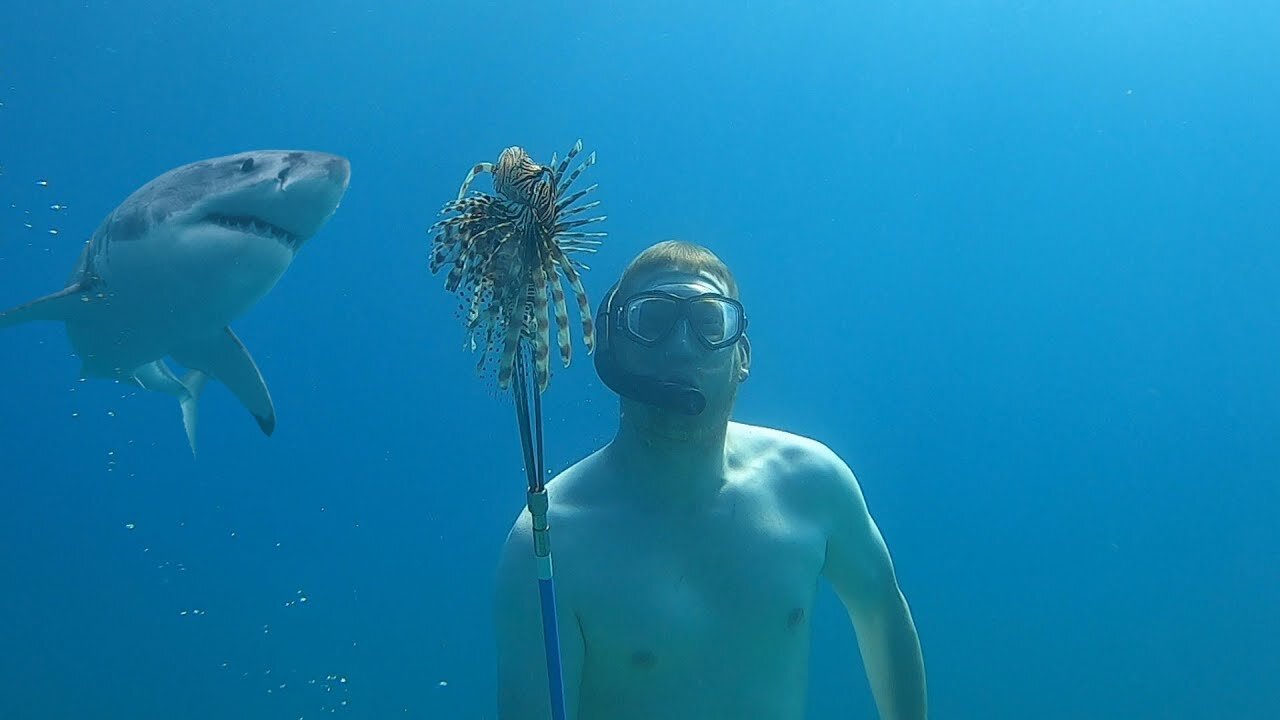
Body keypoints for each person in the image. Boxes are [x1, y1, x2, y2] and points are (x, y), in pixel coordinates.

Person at [494, 240, 928, 720]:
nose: (681, 347)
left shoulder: (812, 483)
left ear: (741, 357)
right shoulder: (553, 539)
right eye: (652, 322)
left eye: (708, 324)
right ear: (612, 350)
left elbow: (883, 614)